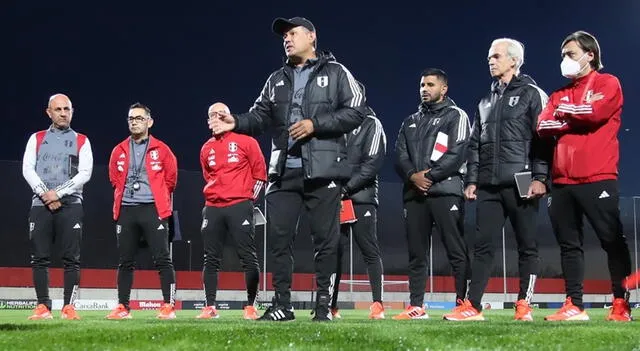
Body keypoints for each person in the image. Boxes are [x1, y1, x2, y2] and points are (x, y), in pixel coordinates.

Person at [210, 16, 366, 321]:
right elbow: (259, 116)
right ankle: (282, 304)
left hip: (323, 171)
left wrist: (315, 124)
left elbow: (357, 110)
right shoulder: (276, 79)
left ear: (311, 37)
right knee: (279, 240)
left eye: (292, 33)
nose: (286, 39)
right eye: (283, 35)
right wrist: (236, 122)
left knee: (326, 242)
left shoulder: (336, 72)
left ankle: (324, 306)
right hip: (283, 171)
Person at [444, 38, 551, 321]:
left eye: (496, 56)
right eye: (489, 57)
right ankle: (473, 306)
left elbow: (544, 140)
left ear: (514, 60)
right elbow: (475, 145)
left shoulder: (533, 94)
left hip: (523, 179)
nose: (490, 61)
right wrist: (472, 180)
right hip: (489, 184)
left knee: (527, 244)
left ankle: (523, 305)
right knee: (482, 246)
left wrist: (540, 177)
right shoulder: (484, 100)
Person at [537, 31, 632, 322]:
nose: (565, 61)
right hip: (562, 181)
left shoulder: (608, 82)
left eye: (571, 54)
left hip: (598, 176)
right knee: (569, 246)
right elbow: (542, 126)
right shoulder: (557, 93)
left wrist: (564, 116)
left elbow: (595, 113)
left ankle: (620, 303)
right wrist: (568, 115)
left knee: (610, 240)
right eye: (563, 55)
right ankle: (574, 304)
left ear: (590, 54)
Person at [394, 68, 471, 320]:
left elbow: (457, 152)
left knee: (455, 250)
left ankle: (463, 303)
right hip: (414, 195)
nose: (424, 89)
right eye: (421, 85)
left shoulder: (456, 116)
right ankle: (416, 305)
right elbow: (400, 156)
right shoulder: (409, 121)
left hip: (445, 192)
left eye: (430, 84)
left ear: (443, 89)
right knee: (416, 253)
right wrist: (412, 176)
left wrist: (429, 176)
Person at [22, 93, 94, 320]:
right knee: (39, 257)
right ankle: (43, 306)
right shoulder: (37, 138)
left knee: (71, 258)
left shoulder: (82, 140)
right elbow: (27, 169)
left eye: (67, 109)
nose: (63, 113)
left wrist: (58, 193)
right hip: (40, 204)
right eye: (58, 109)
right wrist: (45, 193)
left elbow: (85, 173)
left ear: (72, 112)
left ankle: (68, 307)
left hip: (71, 204)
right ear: (49, 112)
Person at [106, 102, 178, 320]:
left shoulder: (162, 149)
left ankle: (168, 305)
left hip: (153, 209)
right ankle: (123, 307)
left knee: (162, 259)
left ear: (149, 121)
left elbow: (171, 180)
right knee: (125, 261)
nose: (134, 122)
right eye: (131, 118)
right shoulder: (118, 150)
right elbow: (114, 179)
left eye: (139, 118)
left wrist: (156, 199)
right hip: (127, 209)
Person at [196, 102, 266, 320]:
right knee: (210, 258)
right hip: (213, 208)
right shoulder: (206, 148)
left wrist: (246, 199)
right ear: (208, 121)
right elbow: (208, 176)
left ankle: (251, 306)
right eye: (212, 115)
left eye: (221, 114)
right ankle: (209, 306)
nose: (216, 118)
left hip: (240, 205)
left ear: (229, 117)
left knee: (247, 256)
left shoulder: (247, 141)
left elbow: (260, 174)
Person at [331, 102, 386, 320]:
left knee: (369, 250)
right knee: (334, 252)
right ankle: (330, 305)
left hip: (362, 198)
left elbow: (372, 163)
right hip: (338, 199)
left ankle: (377, 304)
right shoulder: (337, 126)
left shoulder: (372, 123)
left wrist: (346, 188)